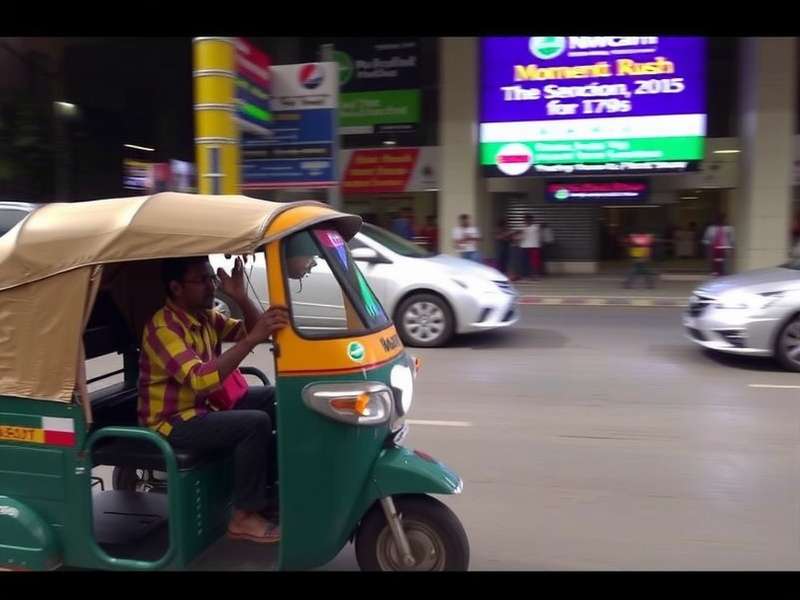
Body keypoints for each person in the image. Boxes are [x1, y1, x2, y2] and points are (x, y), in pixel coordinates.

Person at [138, 255, 290, 544]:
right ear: (176, 287)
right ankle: (243, 516)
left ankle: (267, 492)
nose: (211, 286)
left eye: (211, 278)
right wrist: (249, 341)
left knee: (275, 398)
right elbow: (199, 378)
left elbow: (253, 331)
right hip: (170, 423)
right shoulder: (163, 329)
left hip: (203, 407)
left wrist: (242, 298)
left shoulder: (203, 316)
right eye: (202, 280)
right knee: (254, 423)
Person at [519, 214, 541, 280]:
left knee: (534, 262)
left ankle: (534, 275)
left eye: (526, 220)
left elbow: (523, 235)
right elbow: (521, 236)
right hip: (525, 247)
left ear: (531, 220)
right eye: (525, 220)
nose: (525, 221)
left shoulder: (535, 227)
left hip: (534, 247)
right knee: (525, 262)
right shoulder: (524, 227)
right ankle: (526, 275)